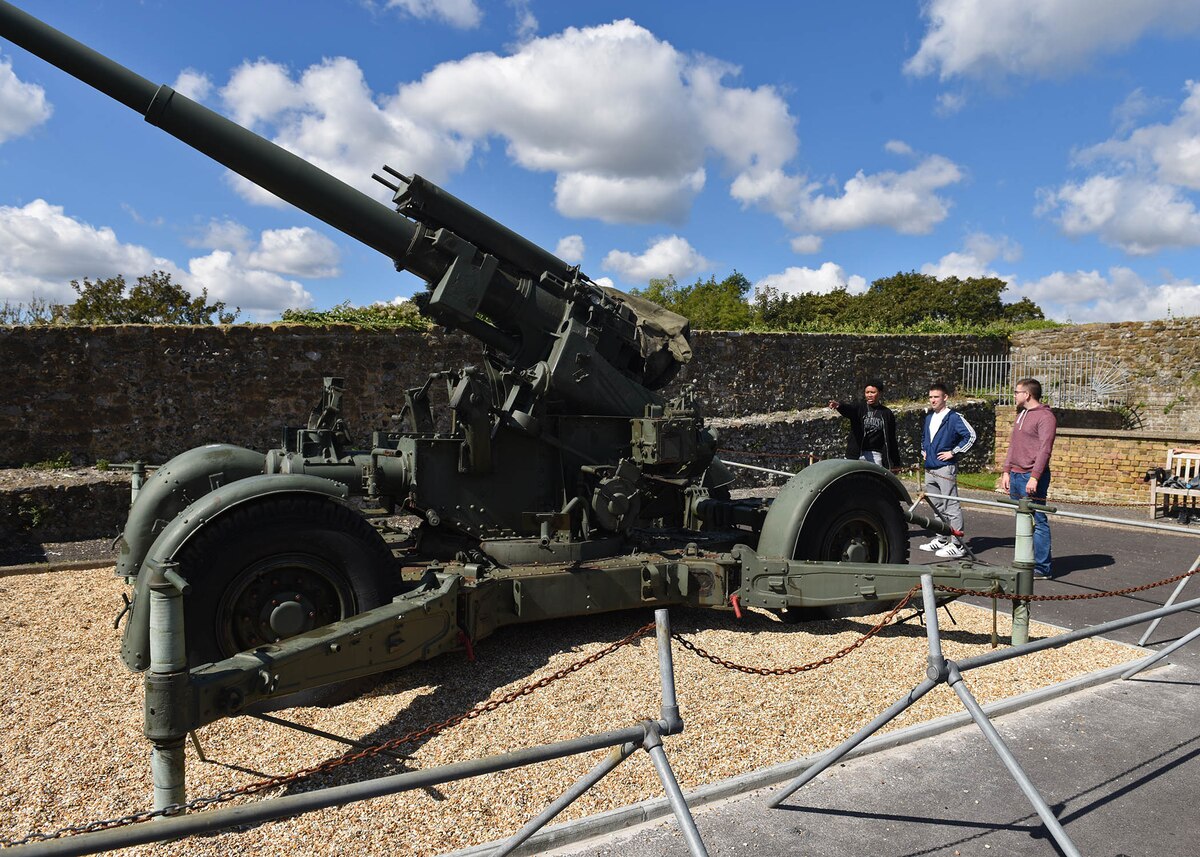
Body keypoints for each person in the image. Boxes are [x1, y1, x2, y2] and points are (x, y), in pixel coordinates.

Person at [1000, 377, 1058, 579]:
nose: (1014, 395)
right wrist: (1006, 471)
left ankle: (1043, 568)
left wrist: (1035, 476)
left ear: (1027, 394)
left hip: (1031, 476)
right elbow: (1013, 446)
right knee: (1022, 520)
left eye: (1017, 392)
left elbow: (1045, 450)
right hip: (1016, 475)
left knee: (1038, 521)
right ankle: (1026, 561)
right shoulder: (1021, 414)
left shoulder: (1045, 417)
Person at [919, 381, 976, 558]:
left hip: (945, 469)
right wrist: (924, 450)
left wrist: (953, 452)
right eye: (930, 397)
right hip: (930, 468)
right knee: (936, 505)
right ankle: (941, 538)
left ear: (945, 398)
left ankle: (958, 544)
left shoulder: (954, 417)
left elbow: (970, 436)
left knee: (950, 505)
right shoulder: (929, 417)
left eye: (936, 397)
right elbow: (924, 437)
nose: (933, 400)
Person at [828, 381, 902, 469]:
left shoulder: (886, 413)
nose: (869, 395)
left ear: (880, 393)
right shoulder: (859, 408)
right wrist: (839, 406)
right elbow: (849, 410)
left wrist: (896, 462)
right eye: (867, 392)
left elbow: (891, 438)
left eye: (873, 392)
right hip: (856, 454)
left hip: (876, 455)